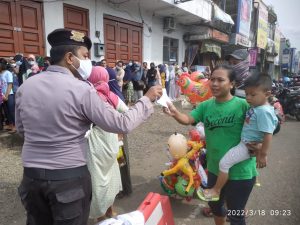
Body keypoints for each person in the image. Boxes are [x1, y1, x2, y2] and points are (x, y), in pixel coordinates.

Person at [15, 28, 162, 225]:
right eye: (84, 56)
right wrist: (147, 98)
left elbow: (21, 129)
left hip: (31, 178)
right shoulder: (81, 90)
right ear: (69, 57)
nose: (87, 63)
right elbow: (121, 123)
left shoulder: (26, 87)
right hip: (67, 179)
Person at [164, 65, 258, 225]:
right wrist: (175, 114)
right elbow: (188, 120)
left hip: (241, 173)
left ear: (232, 84)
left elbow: (263, 125)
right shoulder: (206, 105)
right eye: (212, 79)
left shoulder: (243, 105)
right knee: (216, 207)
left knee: (236, 216)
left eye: (220, 80)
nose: (214, 83)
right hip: (214, 170)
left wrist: (261, 147)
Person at [197, 73, 278, 202]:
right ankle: (255, 178)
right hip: (247, 143)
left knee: (224, 163)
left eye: (253, 94)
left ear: (267, 94)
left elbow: (268, 134)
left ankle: (215, 190)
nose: (248, 98)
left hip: (247, 146)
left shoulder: (263, 111)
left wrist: (263, 153)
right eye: (247, 94)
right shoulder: (258, 107)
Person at [86, 66, 128, 222]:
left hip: (95, 142)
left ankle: (101, 216)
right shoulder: (110, 95)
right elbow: (126, 111)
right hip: (111, 140)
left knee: (98, 180)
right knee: (111, 176)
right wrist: (118, 127)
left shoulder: (88, 96)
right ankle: (111, 210)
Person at [0, 59, 15, 133]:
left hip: (9, 95)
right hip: (2, 96)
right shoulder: (0, 73)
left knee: (11, 111)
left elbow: (10, 84)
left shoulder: (8, 73)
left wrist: (6, 95)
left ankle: (15, 126)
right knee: (6, 112)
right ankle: (10, 125)